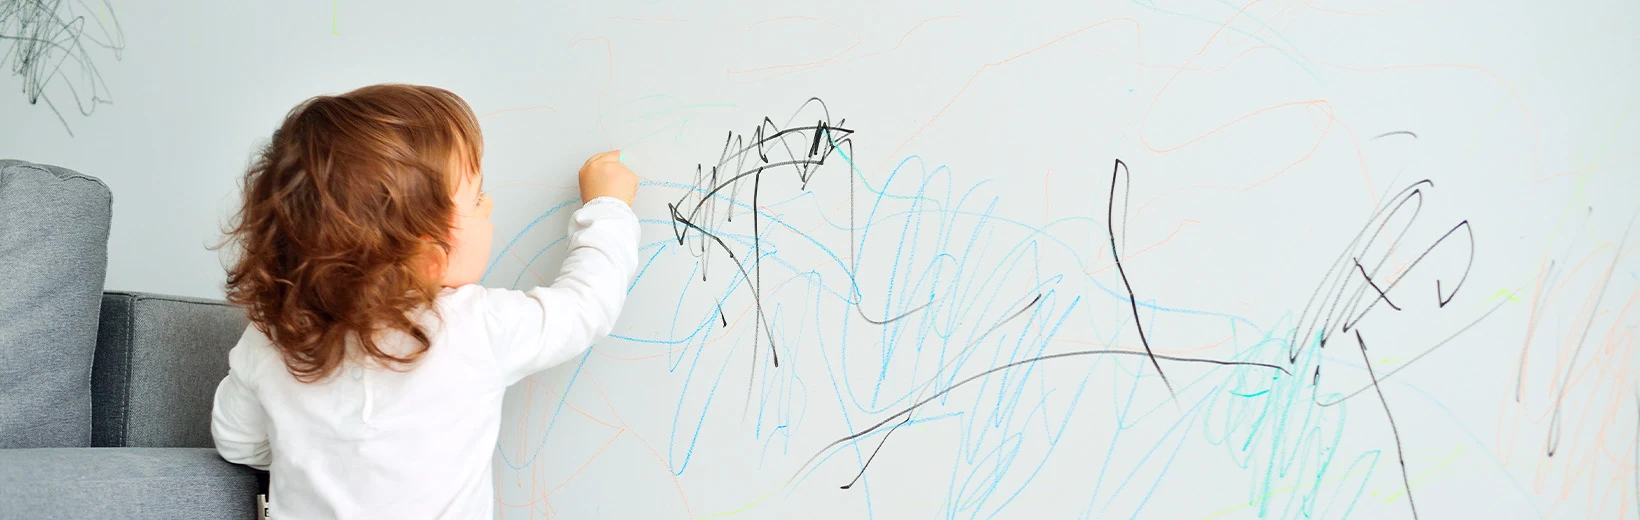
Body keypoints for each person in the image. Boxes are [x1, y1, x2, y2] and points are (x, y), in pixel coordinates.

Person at [209, 83, 640, 518]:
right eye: (475, 200)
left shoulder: (273, 336)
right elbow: (586, 306)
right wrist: (607, 207)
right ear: (430, 257)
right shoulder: (472, 326)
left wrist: (303, 451)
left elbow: (237, 441)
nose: (489, 205)